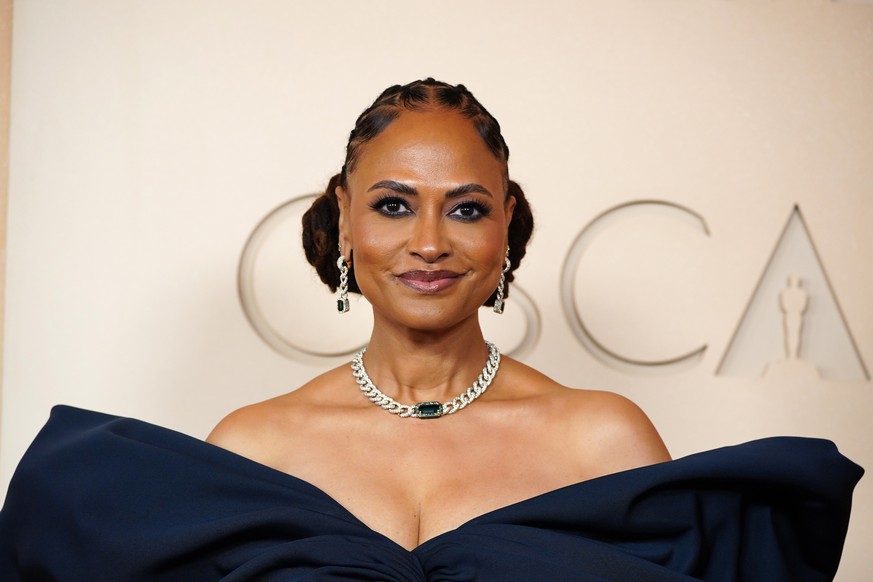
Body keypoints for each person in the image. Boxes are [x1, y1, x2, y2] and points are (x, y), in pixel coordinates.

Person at [0, 79, 862, 581]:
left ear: (504, 227)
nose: (428, 242)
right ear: (344, 221)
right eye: (392, 204)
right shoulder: (253, 446)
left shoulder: (604, 438)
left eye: (466, 208)